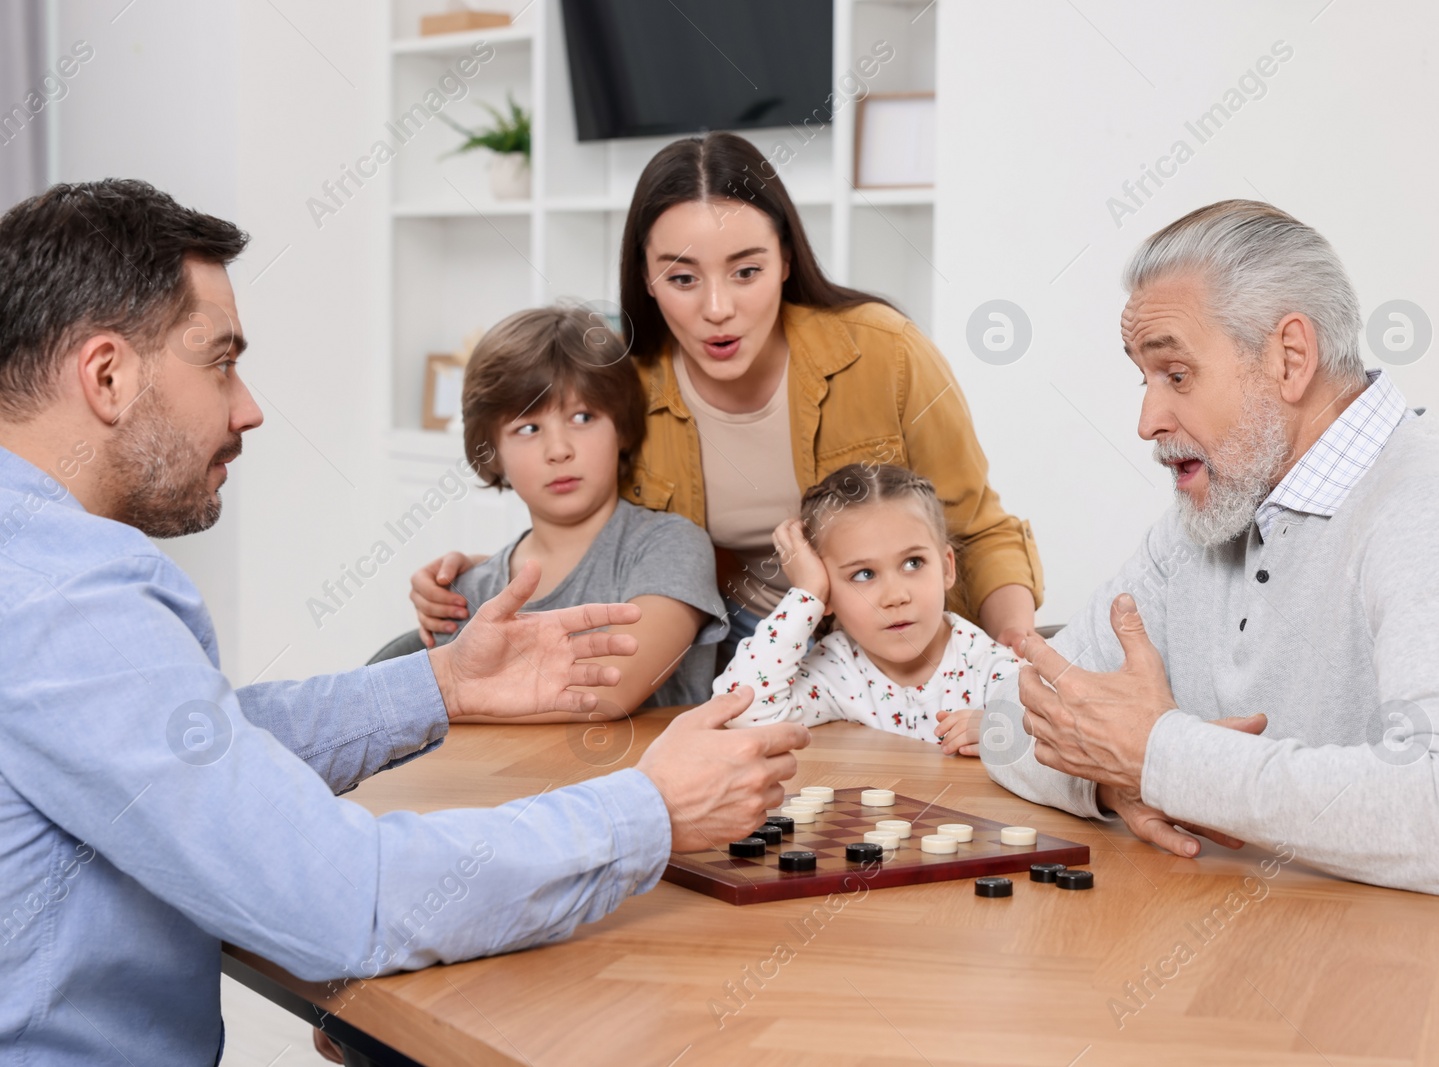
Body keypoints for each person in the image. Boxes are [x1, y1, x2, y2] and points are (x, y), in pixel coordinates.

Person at [0, 179, 810, 1065]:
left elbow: (195, 746)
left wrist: (443, 681)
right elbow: (346, 900)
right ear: (107, 375)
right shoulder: (64, 596)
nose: (249, 407)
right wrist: (649, 808)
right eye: (222, 361)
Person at [983, 200, 1439, 907]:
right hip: (1277, 968)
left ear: (1290, 358)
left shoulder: (1437, 511)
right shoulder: (1206, 518)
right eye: (1143, 378)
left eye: (1176, 375)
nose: (1147, 420)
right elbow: (1008, 718)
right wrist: (1111, 772)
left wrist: (1162, 756)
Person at [411, 131, 1044, 665]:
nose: (718, 310)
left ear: (788, 259)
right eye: (682, 278)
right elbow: (596, 530)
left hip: (890, 649)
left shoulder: (886, 353)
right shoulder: (625, 384)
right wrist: (484, 576)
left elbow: (977, 530)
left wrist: (1014, 649)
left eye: (746, 271)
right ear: (646, 280)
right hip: (732, 653)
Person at [413, 307, 726, 717]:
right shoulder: (469, 592)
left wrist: (441, 698)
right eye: (528, 428)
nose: (559, 450)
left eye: (582, 417)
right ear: (490, 453)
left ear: (623, 428)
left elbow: (608, 691)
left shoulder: (670, 546)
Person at [717, 464, 1017, 757]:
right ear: (827, 593)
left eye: (913, 563)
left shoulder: (992, 668)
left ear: (946, 568)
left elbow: (1058, 740)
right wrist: (808, 593)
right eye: (864, 574)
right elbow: (741, 711)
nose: (895, 597)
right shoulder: (839, 669)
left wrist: (1009, 730)